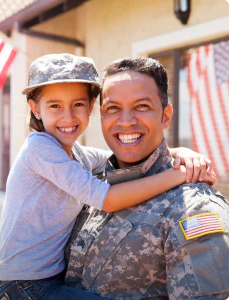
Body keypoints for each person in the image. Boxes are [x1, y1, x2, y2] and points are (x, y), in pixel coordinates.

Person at [0, 54, 214, 300]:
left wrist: (182, 152)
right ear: (35, 109)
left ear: (91, 106)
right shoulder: (39, 149)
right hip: (24, 284)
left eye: (77, 104)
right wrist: (178, 175)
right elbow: (106, 199)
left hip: (47, 278)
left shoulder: (77, 155)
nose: (68, 116)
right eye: (55, 106)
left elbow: (126, 150)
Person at [65, 56, 229, 299]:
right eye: (113, 108)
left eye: (141, 106)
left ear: (165, 116)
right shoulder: (89, 184)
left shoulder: (193, 209)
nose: (126, 121)